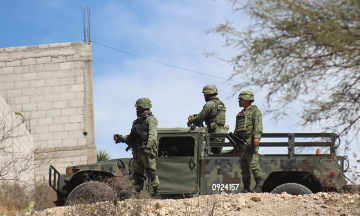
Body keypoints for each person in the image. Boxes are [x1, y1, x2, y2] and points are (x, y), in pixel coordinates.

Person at [114, 98, 160, 198]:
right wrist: (120, 138)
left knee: (150, 172)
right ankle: (138, 196)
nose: (136, 109)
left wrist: (148, 148)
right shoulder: (136, 122)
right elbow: (131, 137)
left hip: (146, 151)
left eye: (138, 107)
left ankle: (156, 193)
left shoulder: (151, 119)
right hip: (137, 151)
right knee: (137, 176)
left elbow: (152, 135)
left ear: (143, 107)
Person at [235, 90, 263, 193]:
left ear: (246, 99)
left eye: (240, 99)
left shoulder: (255, 111)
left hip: (249, 142)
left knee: (254, 165)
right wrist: (235, 146)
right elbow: (237, 130)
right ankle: (246, 187)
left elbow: (258, 125)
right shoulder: (240, 114)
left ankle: (259, 186)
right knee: (244, 167)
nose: (239, 101)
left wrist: (257, 137)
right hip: (240, 144)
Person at [187, 84, 227, 154]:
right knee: (215, 155)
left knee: (202, 152)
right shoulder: (220, 104)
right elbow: (210, 115)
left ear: (208, 93)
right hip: (221, 134)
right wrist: (194, 115)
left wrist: (191, 121)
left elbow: (201, 117)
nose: (204, 96)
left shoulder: (209, 104)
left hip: (214, 134)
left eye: (204, 94)